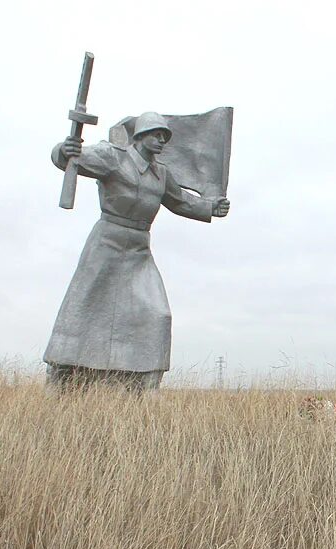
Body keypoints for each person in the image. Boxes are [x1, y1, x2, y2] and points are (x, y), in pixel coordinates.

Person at [45, 111, 230, 391]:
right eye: (156, 135)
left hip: (139, 250)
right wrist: (63, 150)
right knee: (83, 308)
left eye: (164, 137)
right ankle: (62, 376)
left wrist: (211, 208)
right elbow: (75, 158)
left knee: (158, 313)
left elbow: (180, 202)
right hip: (106, 242)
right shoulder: (113, 156)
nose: (161, 141)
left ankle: (144, 383)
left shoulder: (161, 173)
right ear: (141, 135)